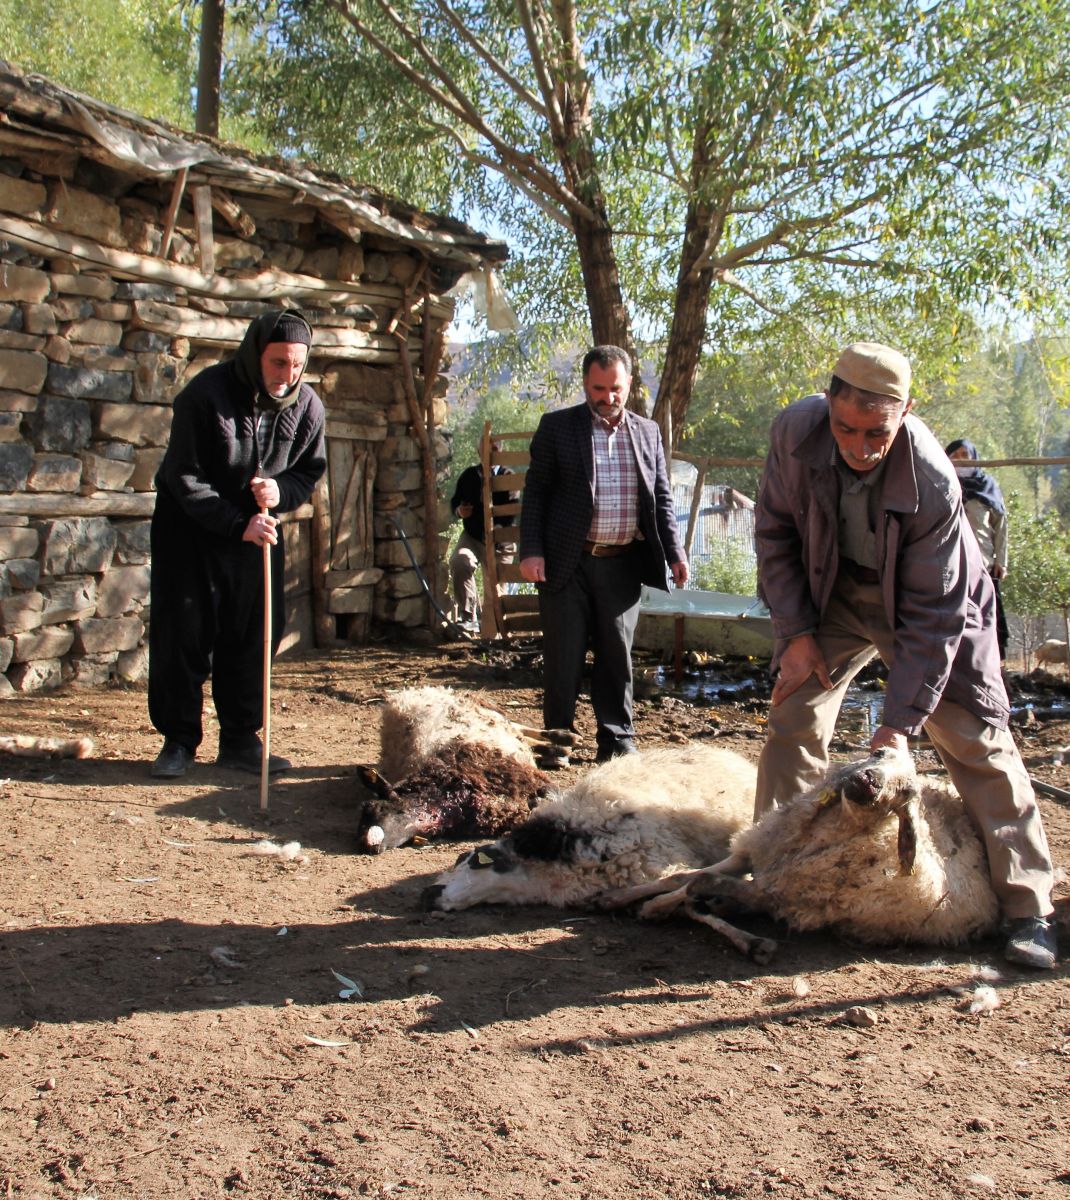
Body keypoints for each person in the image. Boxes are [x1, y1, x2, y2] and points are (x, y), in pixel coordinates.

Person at [753, 341, 1057, 969]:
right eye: (846, 428)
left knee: (974, 739)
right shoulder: (793, 431)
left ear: (906, 411)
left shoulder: (931, 477)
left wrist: (897, 728)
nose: (861, 445)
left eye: (877, 432)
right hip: (830, 592)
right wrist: (798, 631)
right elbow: (776, 534)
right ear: (827, 401)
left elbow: (932, 621)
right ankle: (774, 882)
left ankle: (1031, 906)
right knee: (792, 719)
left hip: (926, 608)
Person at [148, 309, 327, 778]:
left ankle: (241, 740)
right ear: (255, 354)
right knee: (185, 631)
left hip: (257, 530)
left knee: (256, 630)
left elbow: (307, 471)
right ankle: (179, 739)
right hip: (190, 530)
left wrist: (280, 492)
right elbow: (181, 476)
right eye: (277, 363)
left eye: (296, 365)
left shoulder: (308, 406)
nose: (287, 376)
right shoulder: (205, 395)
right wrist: (234, 523)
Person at [519, 345, 688, 763]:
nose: (607, 397)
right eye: (599, 388)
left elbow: (661, 499)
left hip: (622, 562)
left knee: (617, 654)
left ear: (629, 385)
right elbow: (535, 494)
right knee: (564, 655)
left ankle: (616, 740)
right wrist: (531, 551)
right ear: (585, 384)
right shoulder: (557, 428)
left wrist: (675, 552)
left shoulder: (647, 432)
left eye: (615, 388)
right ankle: (556, 741)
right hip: (565, 561)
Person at [945, 438, 1010, 659]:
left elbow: (1000, 525)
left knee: (987, 617)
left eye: (965, 455)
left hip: (984, 563)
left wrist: (1001, 560)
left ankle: (993, 663)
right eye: (956, 455)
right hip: (950, 563)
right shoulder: (942, 483)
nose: (961, 460)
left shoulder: (988, 487)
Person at [448, 442, 517, 631]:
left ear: (500, 452)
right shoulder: (469, 475)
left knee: (494, 590)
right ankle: (468, 616)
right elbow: (455, 501)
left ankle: (495, 631)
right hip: (473, 536)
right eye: (486, 448)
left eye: (494, 449)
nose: (489, 452)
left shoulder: (508, 477)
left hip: (500, 540)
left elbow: (511, 512)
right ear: (479, 451)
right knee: (460, 561)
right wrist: (459, 511)